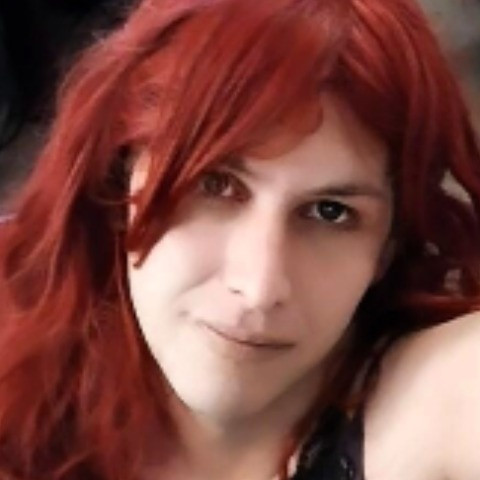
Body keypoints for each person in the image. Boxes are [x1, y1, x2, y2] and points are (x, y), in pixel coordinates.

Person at [0, 0, 479, 479]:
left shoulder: (434, 397)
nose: (259, 288)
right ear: (119, 176)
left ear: (388, 248)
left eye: (330, 212)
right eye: (215, 184)